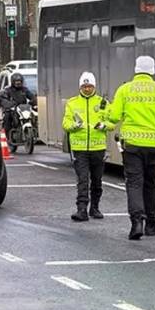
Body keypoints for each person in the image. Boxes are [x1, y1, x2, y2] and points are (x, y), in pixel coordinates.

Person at [108, 56, 155, 240]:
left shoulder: (125, 89)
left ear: (136, 69)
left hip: (132, 146)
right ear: (153, 71)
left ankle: (136, 222)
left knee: (134, 183)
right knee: (151, 184)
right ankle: (151, 224)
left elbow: (114, 116)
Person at [62, 72, 109, 222]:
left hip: (98, 148)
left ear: (94, 86)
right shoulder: (72, 103)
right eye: (84, 86)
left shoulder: (103, 103)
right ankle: (81, 209)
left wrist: (104, 125)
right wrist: (74, 126)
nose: (87, 89)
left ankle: (95, 208)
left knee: (97, 180)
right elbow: (65, 124)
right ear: (80, 87)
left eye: (89, 86)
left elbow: (113, 121)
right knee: (83, 179)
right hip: (80, 149)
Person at [0, 72, 36, 138]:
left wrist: (33, 101)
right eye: (16, 81)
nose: (18, 83)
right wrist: (7, 103)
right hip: (12, 109)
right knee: (7, 116)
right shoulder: (8, 90)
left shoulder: (25, 90)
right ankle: (7, 135)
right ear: (13, 82)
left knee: (35, 114)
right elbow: (0, 97)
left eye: (19, 81)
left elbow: (32, 96)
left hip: (23, 108)